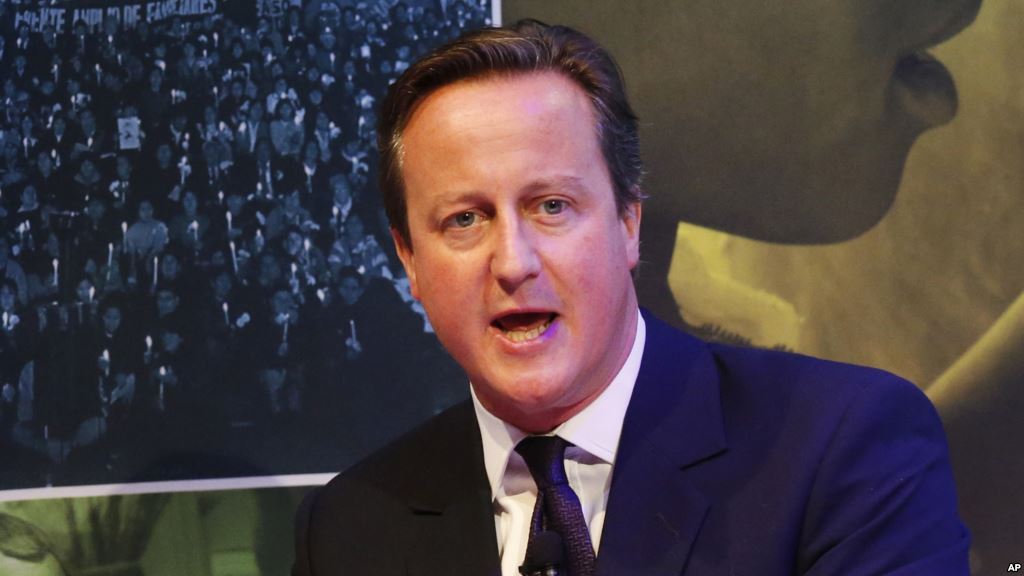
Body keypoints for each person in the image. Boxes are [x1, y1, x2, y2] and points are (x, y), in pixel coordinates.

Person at [292, 21, 968, 576]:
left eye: (552, 206)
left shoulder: (842, 448)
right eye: (464, 219)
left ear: (628, 223)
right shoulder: (352, 528)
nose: (513, 263)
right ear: (409, 259)